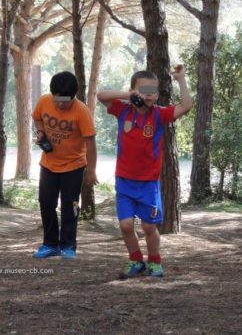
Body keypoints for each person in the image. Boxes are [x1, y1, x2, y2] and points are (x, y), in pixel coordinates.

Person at [97, 65, 193, 278]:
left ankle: (155, 262)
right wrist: (126, 95)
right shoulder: (123, 110)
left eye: (153, 91)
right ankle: (136, 260)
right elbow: (100, 96)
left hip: (148, 184)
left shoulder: (159, 114)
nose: (149, 94)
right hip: (124, 181)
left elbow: (186, 106)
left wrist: (181, 80)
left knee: (149, 227)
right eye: (144, 90)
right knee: (125, 225)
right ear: (134, 91)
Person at [32, 71, 98, 260]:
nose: (60, 104)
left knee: (70, 206)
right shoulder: (44, 101)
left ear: (74, 96)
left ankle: (68, 245)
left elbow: (91, 144)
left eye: (65, 101)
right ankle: (50, 243)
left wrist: (91, 171)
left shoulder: (82, 112)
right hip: (49, 164)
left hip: (74, 166)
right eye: (57, 99)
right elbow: (36, 117)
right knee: (46, 202)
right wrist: (40, 132)